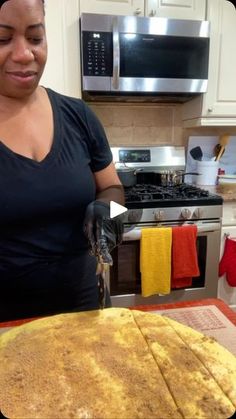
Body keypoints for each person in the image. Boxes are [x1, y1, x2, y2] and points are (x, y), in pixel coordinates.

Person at [0, 0, 124, 321]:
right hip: (8, 321)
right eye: (3, 39)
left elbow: (112, 187)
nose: (25, 54)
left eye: (35, 38)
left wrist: (108, 210)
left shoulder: (79, 115)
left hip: (84, 308)